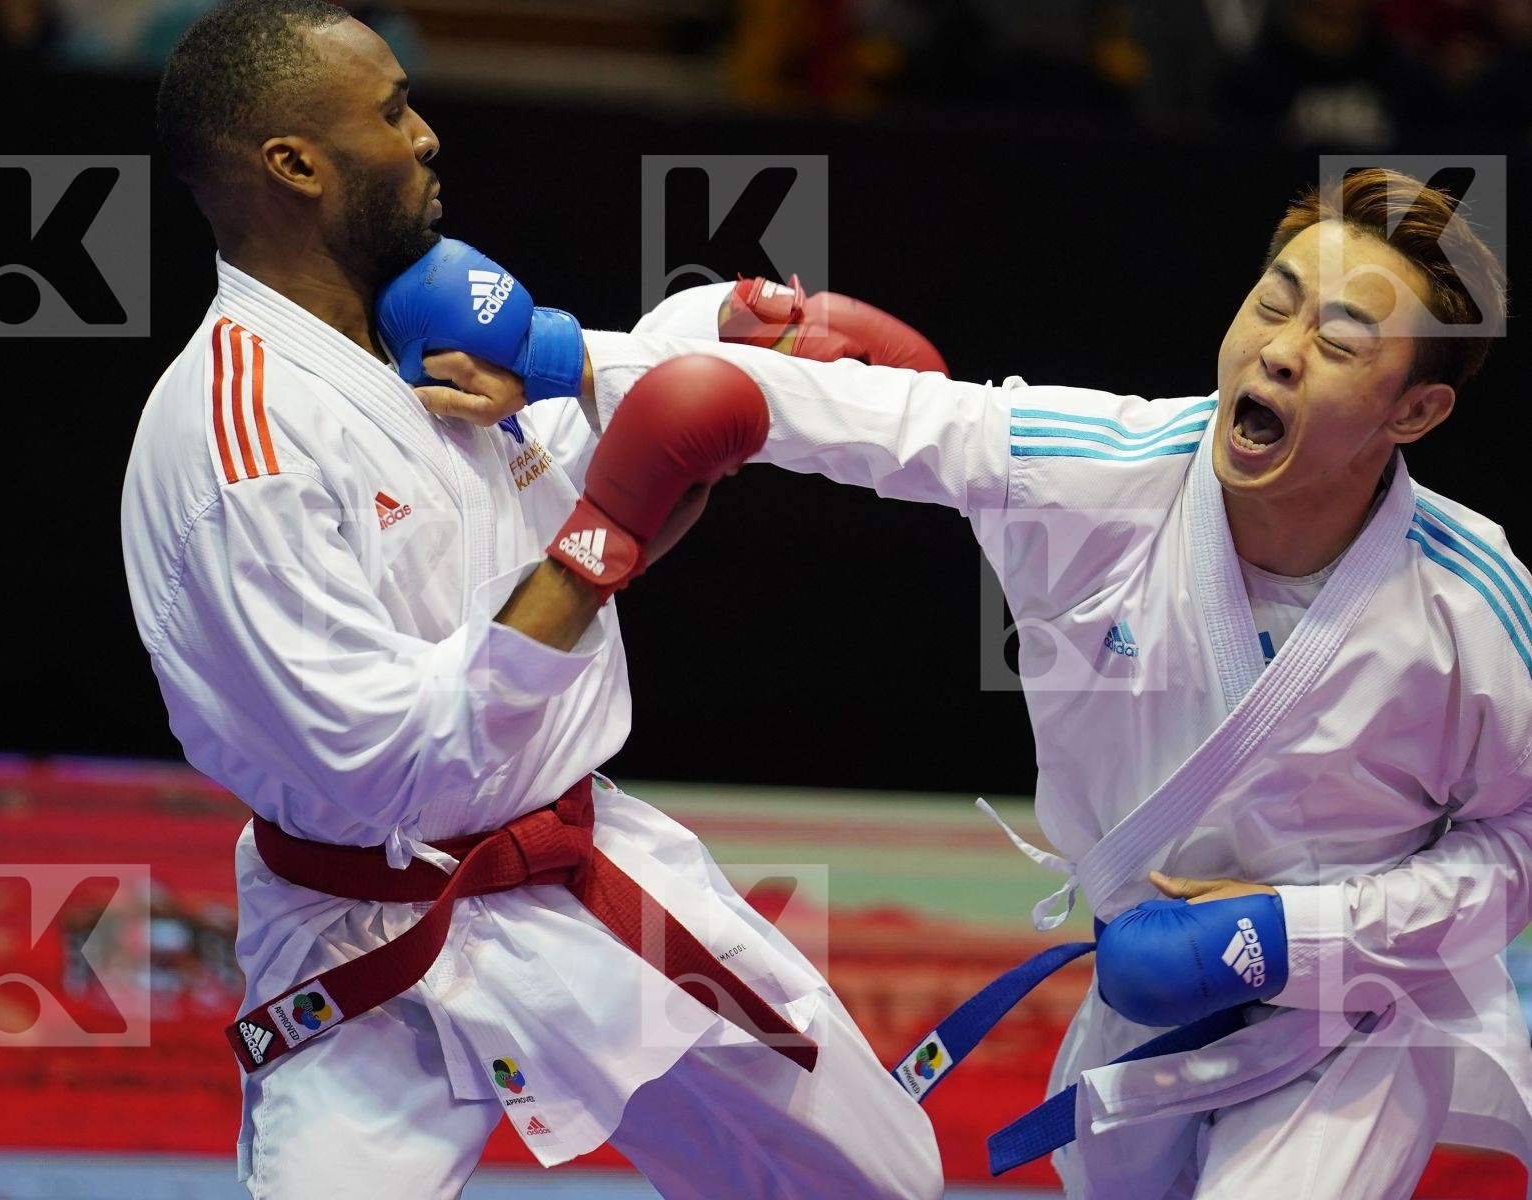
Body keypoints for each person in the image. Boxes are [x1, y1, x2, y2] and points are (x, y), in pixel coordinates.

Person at [410, 167, 1532, 1198]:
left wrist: (1292, 934)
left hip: (1349, 1023)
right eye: (1272, 302)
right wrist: (567, 359)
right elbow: (853, 418)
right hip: (1137, 991)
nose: (1278, 351)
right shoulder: (1099, 471)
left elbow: (1515, 851)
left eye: (1338, 341)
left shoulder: (1471, 602)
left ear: (1414, 412)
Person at [119, 2, 943, 1197]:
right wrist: (600, 539)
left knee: (881, 1180)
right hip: (369, 936)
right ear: (293, 165)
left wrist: (702, 343)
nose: (428, 134)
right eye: (394, 110)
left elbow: (602, 479)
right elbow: (388, 765)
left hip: (584, 869)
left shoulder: (432, 323)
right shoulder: (237, 445)